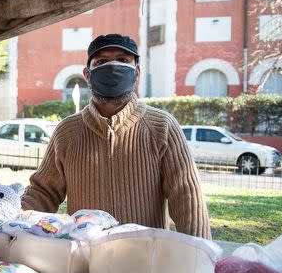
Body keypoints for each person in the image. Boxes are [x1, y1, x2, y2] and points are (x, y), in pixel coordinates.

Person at [21, 33, 211, 239]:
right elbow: (43, 192)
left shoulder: (162, 128)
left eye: (122, 60)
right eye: (102, 62)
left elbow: (187, 198)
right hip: (82, 261)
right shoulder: (67, 132)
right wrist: (8, 218)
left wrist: (201, 255)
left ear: (137, 72)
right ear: (87, 74)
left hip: (145, 262)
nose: (113, 67)